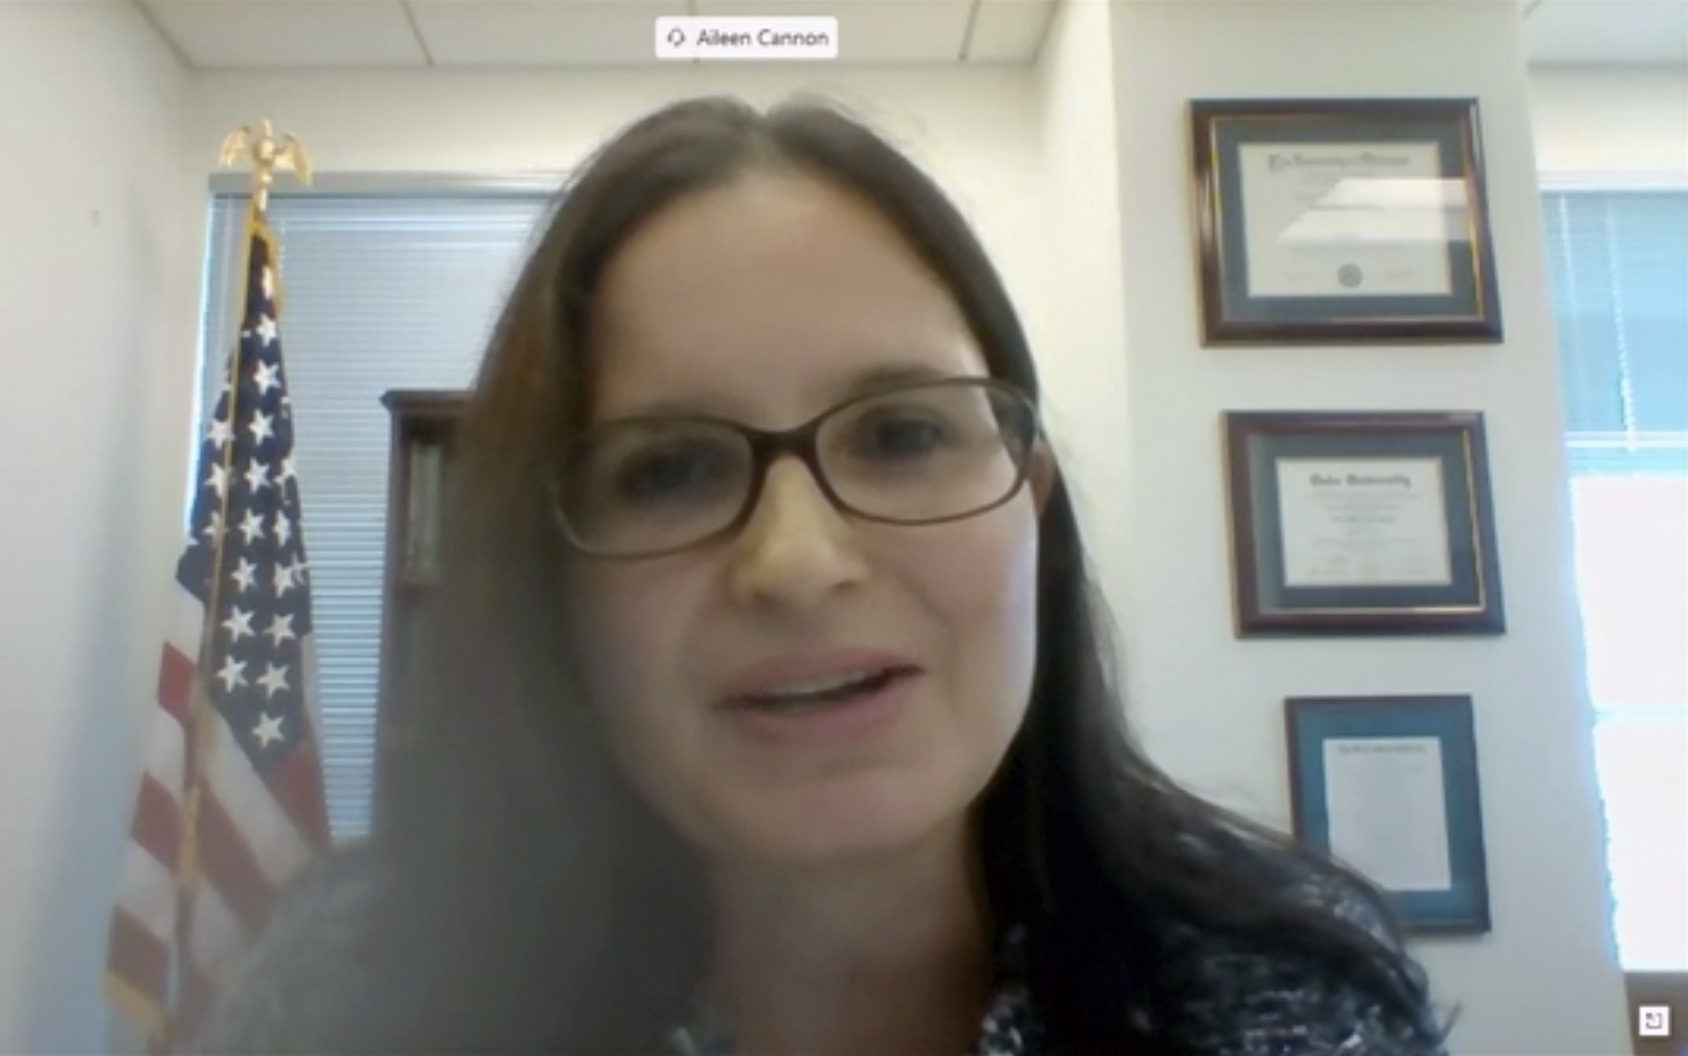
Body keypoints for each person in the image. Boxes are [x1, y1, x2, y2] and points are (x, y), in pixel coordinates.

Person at [192, 95, 1453, 1056]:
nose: (796, 564)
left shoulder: (1292, 1007)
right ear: (553, 581)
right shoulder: (351, 1006)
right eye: (669, 470)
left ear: (1032, 502)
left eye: (904, 435)